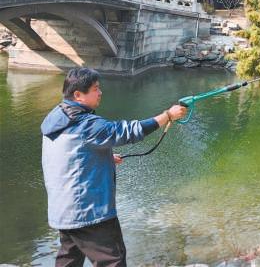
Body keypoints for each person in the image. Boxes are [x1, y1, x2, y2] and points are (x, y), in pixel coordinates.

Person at [41, 67, 187, 267]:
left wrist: (103, 157)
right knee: (113, 260)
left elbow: (67, 155)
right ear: (78, 95)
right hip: (89, 212)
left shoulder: (58, 117)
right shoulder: (87, 125)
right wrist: (167, 116)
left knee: (69, 259)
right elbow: (128, 131)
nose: (100, 93)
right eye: (95, 89)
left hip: (64, 209)